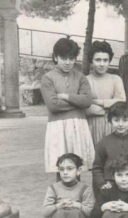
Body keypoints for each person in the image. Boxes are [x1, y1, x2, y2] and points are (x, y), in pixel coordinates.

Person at [40, 38, 94, 173]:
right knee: (62, 168)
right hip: (58, 127)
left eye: (72, 58)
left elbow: (87, 101)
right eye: (64, 58)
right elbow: (53, 105)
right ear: (56, 57)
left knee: (76, 168)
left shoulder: (81, 77)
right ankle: (62, 194)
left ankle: (76, 194)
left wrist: (66, 96)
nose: (68, 62)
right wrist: (78, 103)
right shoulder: (48, 78)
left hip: (78, 126)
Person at [92, 101, 128, 198]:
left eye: (125, 120)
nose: (120, 124)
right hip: (111, 186)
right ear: (110, 121)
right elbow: (97, 167)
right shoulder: (103, 143)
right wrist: (102, 184)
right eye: (116, 120)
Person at [85, 40, 126, 145]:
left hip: (112, 125)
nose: (102, 64)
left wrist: (97, 101)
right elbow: (85, 107)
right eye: (98, 60)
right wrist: (108, 109)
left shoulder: (115, 79)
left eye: (105, 60)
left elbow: (121, 102)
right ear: (91, 61)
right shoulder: (85, 80)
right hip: (91, 126)